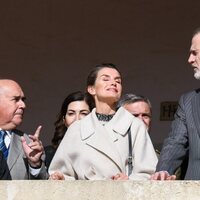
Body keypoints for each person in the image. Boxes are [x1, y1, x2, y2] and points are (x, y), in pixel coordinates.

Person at [49, 63, 157, 180]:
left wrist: (128, 181)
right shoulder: (77, 129)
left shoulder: (134, 126)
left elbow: (148, 173)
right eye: (106, 79)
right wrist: (61, 178)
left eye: (118, 81)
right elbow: (62, 172)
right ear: (91, 89)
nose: (113, 83)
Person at [151, 28, 200, 180]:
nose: (190, 59)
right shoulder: (188, 102)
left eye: (195, 53)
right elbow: (175, 142)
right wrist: (163, 170)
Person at [0, 79, 47, 180]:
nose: (23, 105)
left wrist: (35, 165)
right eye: (16, 99)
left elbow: (42, 190)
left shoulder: (30, 144)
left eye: (23, 100)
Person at [45, 91, 94, 170]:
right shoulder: (49, 153)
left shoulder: (100, 152)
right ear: (64, 120)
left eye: (83, 113)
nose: (77, 119)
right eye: (71, 113)